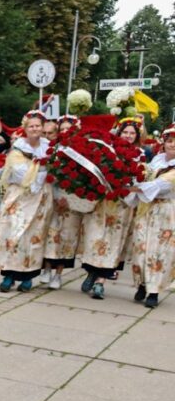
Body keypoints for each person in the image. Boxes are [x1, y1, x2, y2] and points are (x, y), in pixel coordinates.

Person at [79, 118, 144, 299]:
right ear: (119, 133)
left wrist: (127, 191)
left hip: (123, 204)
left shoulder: (140, 154)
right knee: (96, 238)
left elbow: (141, 180)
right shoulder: (107, 149)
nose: (129, 136)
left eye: (132, 133)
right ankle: (91, 273)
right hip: (103, 203)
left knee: (113, 243)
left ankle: (101, 282)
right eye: (126, 132)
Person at [0, 111, 53, 292]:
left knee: (33, 236)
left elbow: (53, 169)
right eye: (31, 126)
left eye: (38, 126)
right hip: (19, 196)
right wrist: (41, 171)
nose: (35, 129)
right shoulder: (17, 149)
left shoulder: (49, 147)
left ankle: (28, 277)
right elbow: (20, 174)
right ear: (25, 128)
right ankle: (8, 276)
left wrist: (42, 171)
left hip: (41, 198)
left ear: (42, 128)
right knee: (12, 234)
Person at [128, 124, 175, 307]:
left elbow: (159, 186)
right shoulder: (157, 160)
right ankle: (141, 283)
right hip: (146, 209)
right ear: (163, 143)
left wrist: (131, 188)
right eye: (169, 141)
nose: (172, 145)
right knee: (141, 247)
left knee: (160, 251)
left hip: (166, 211)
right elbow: (143, 177)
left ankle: (153, 291)